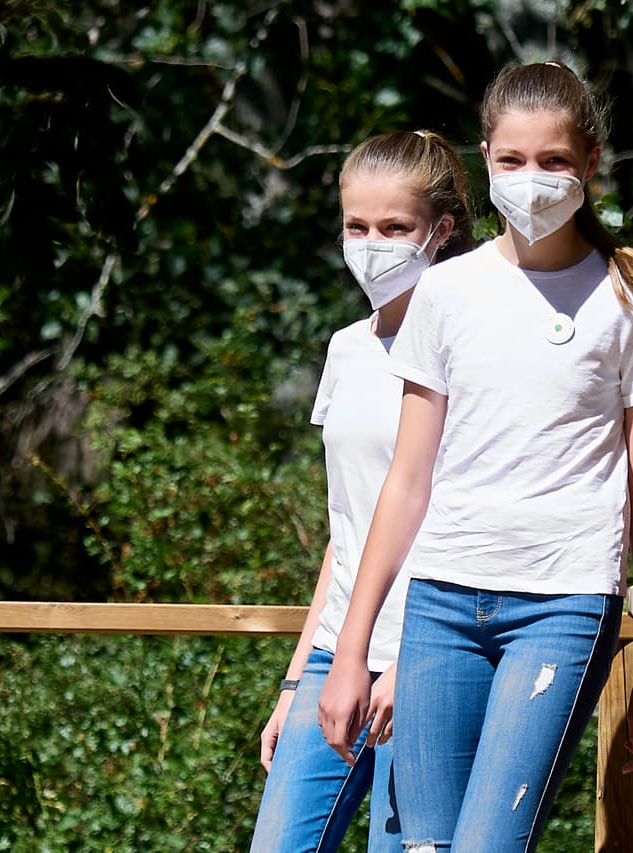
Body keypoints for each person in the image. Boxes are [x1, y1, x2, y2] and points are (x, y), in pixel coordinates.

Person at [317, 61, 633, 852]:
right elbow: (406, 481)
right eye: (512, 160)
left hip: (563, 602)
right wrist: (349, 651)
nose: (532, 179)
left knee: (488, 843)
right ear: (485, 159)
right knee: (423, 845)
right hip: (442, 602)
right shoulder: (450, 292)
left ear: (589, 163)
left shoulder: (631, 293)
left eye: (554, 161)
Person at [249, 129, 474, 853]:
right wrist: (296, 682)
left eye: (394, 228)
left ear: (439, 230)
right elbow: (346, 527)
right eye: (357, 226)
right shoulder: (346, 348)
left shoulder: (472, 347)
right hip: (334, 654)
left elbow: (472, 519)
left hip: (436, 649)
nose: (371, 244)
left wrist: (412, 659)